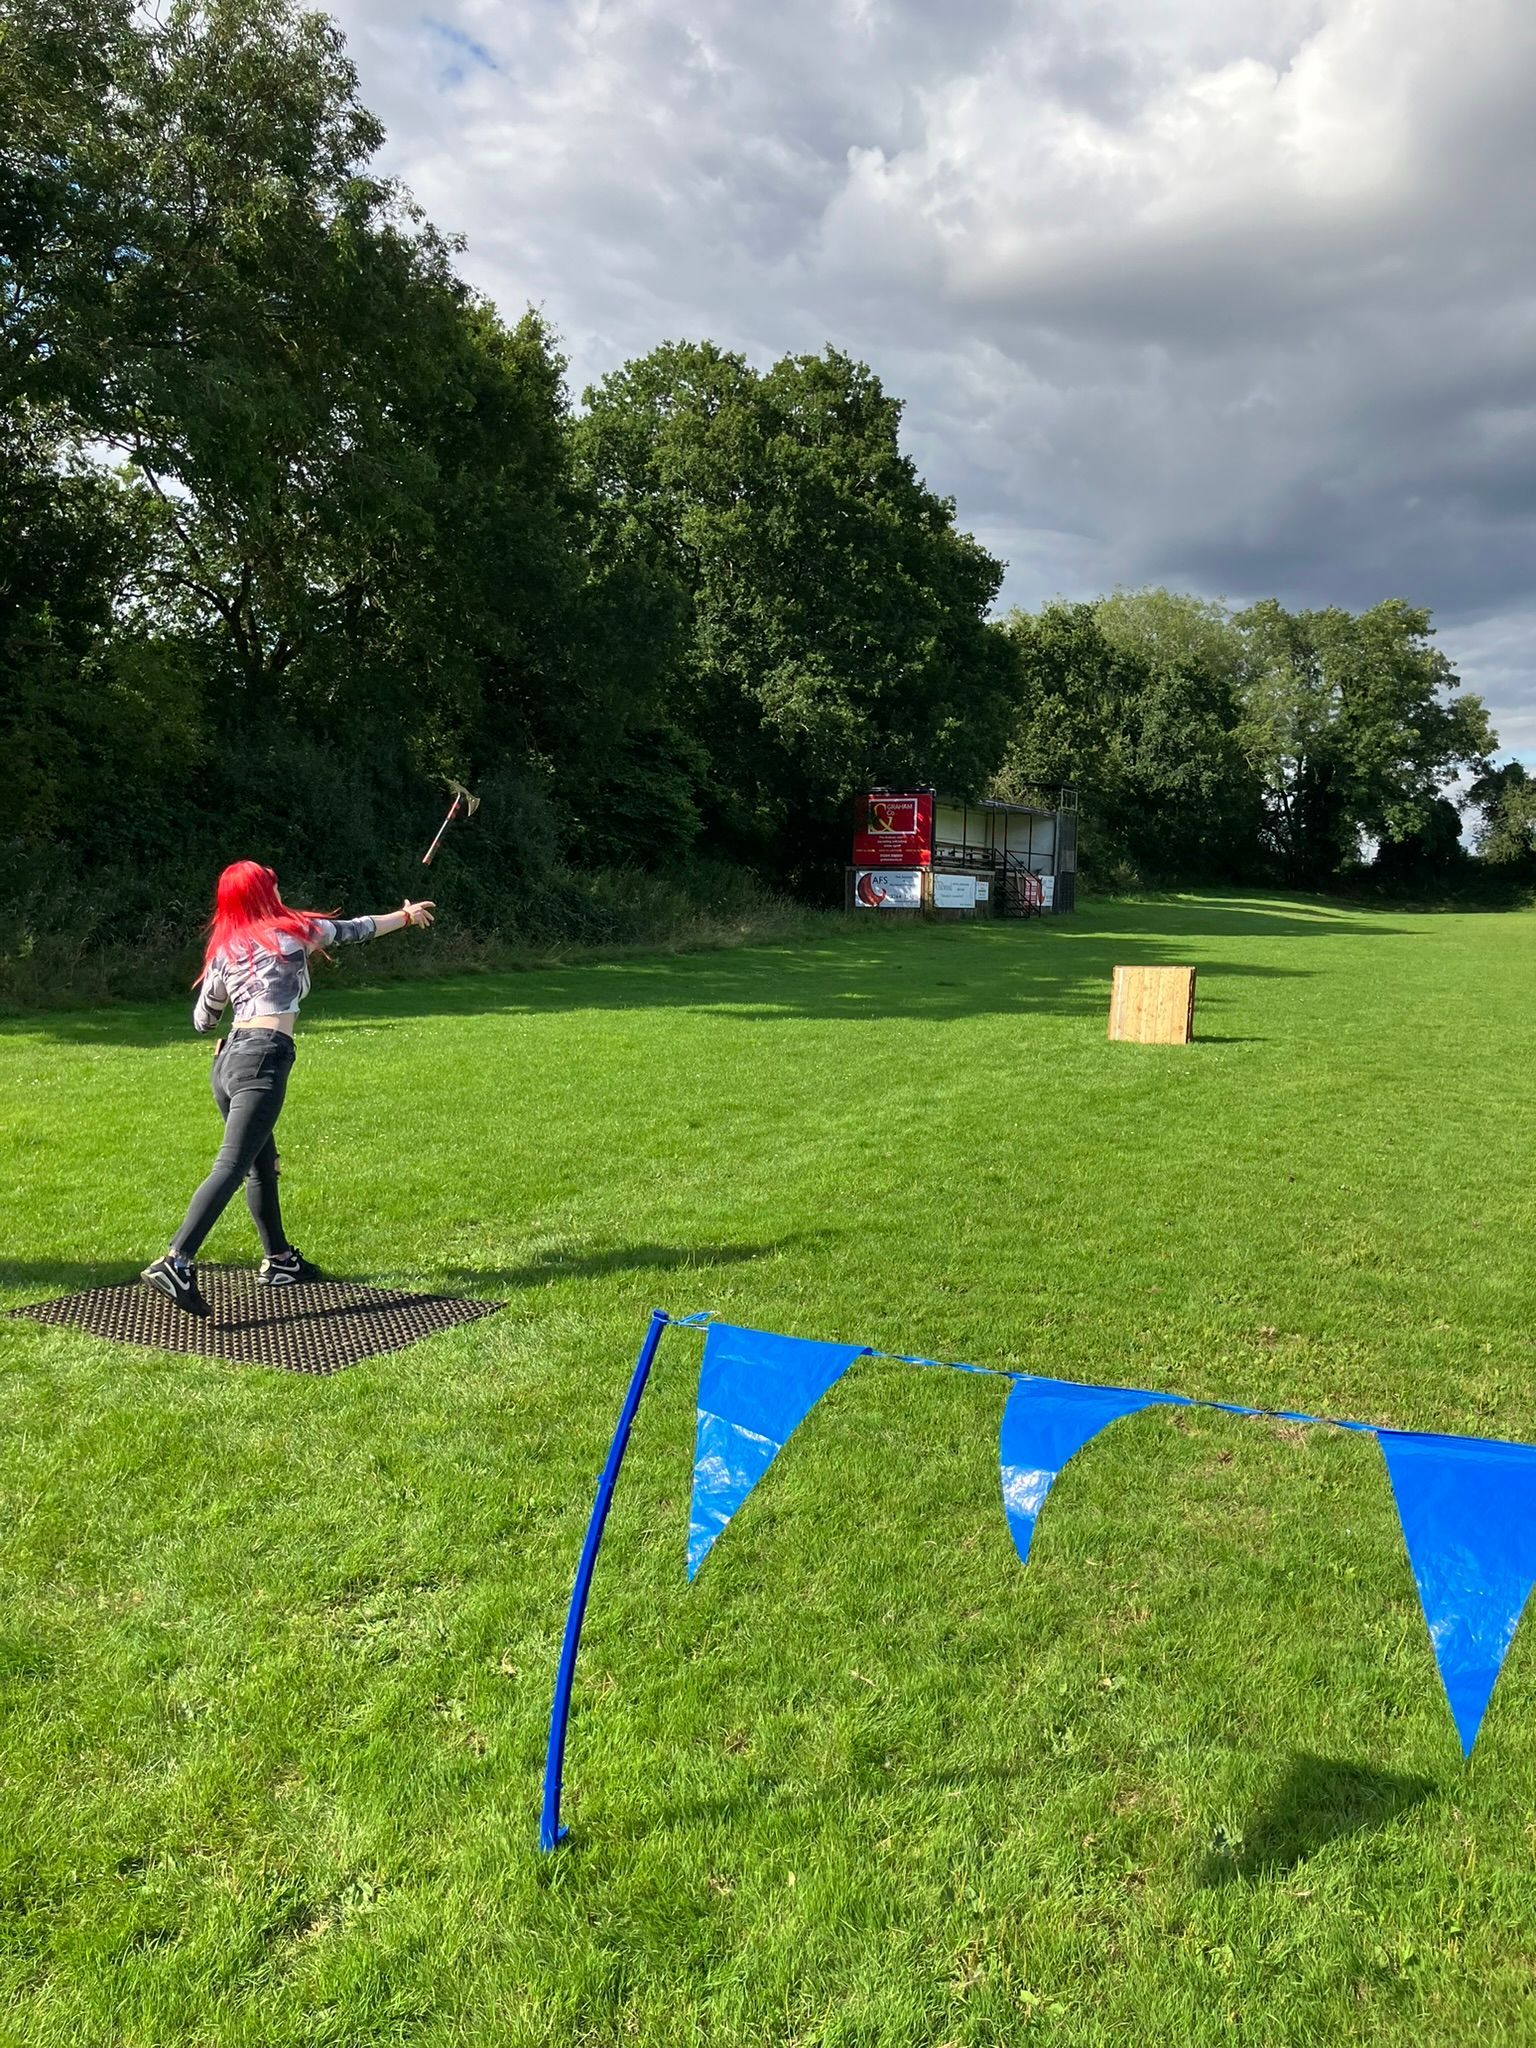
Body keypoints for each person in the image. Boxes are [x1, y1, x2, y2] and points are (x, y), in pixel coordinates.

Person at [140, 861, 435, 1316]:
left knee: (262, 1165)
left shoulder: (224, 948)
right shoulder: (296, 929)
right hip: (264, 1057)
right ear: (264, 893)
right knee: (232, 1166)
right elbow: (358, 929)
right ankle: (176, 1261)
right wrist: (406, 917)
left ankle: (279, 1260)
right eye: (272, 884)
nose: (278, 888)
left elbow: (203, 1021)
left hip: (229, 1061)